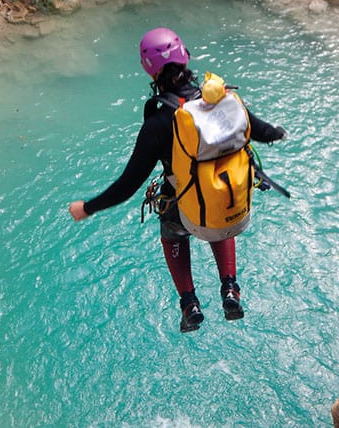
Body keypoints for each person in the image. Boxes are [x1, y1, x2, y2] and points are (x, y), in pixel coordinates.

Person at [69, 27, 286, 333]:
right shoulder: (224, 101)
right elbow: (264, 132)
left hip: (185, 212)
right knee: (217, 199)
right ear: (185, 57)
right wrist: (280, 132)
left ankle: (189, 304)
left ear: (149, 71)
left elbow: (127, 186)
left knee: (172, 229)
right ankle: (230, 289)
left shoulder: (158, 124)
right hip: (232, 210)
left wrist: (87, 208)